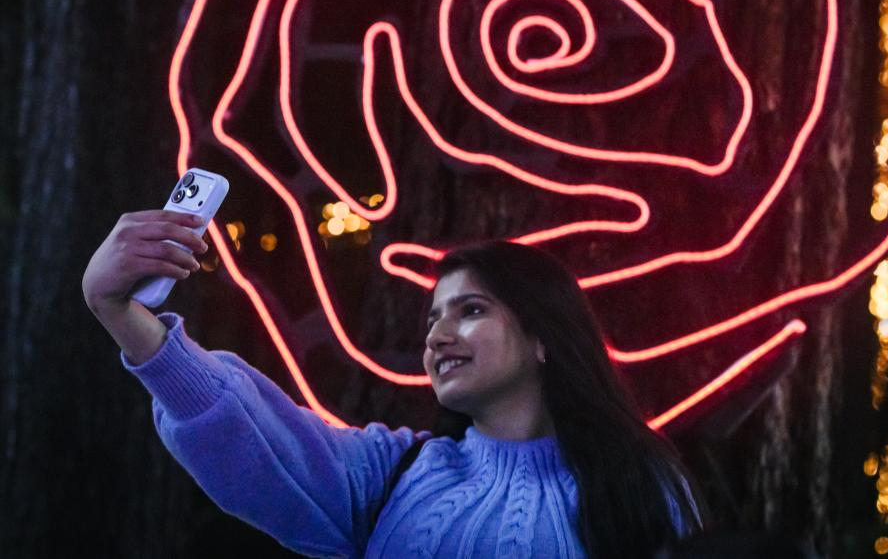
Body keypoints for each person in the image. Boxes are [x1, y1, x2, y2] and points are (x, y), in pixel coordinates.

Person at [82, 210, 703, 557]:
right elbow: (253, 427)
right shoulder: (394, 473)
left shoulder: (639, 487)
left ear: (545, 336)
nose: (438, 337)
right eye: (432, 319)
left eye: (472, 310)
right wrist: (120, 315)